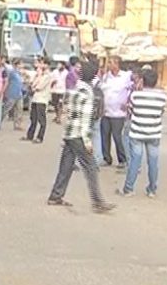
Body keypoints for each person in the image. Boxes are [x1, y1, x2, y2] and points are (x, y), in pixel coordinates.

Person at [47, 61, 116, 213]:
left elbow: (68, 113)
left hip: (70, 133)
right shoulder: (88, 92)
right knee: (91, 167)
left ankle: (56, 195)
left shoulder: (74, 89)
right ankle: (97, 201)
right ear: (95, 75)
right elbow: (85, 120)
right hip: (79, 135)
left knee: (66, 166)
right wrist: (87, 141)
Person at [118, 69, 167, 198]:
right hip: (154, 133)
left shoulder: (135, 95)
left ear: (142, 80)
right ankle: (152, 189)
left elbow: (132, 111)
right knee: (153, 162)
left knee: (135, 160)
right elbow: (161, 112)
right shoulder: (163, 96)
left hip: (137, 132)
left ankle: (128, 188)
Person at [100, 56, 133, 168]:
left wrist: (128, 102)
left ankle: (122, 159)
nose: (108, 65)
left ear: (117, 64)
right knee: (105, 135)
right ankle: (106, 158)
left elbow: (132, 89)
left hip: (118, 113)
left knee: (117, 136)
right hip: (105, 111)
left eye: (111, 62)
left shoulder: (125, 76)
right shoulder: (105, 77)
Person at [23, 58, 52, 143]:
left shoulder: (47, 76)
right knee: (33, 118)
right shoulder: (38, 74)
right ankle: (30, 135)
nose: (39, 65)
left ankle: (40, 137)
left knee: (41, 120)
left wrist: (33, 86)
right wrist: (37, 76)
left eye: (41, 63)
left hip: (42, 99)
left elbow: (39, 87)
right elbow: (31, 83)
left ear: (46, 65)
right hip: (35, 99)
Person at [2, 58, 24, 130]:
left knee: (19, 109)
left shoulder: (19, 73)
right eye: (20, 64)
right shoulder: (11, 72)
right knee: (6, 108)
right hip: (11, 93)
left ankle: (17, 125)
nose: (22, 65)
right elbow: (7, 81)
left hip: (19, 94)